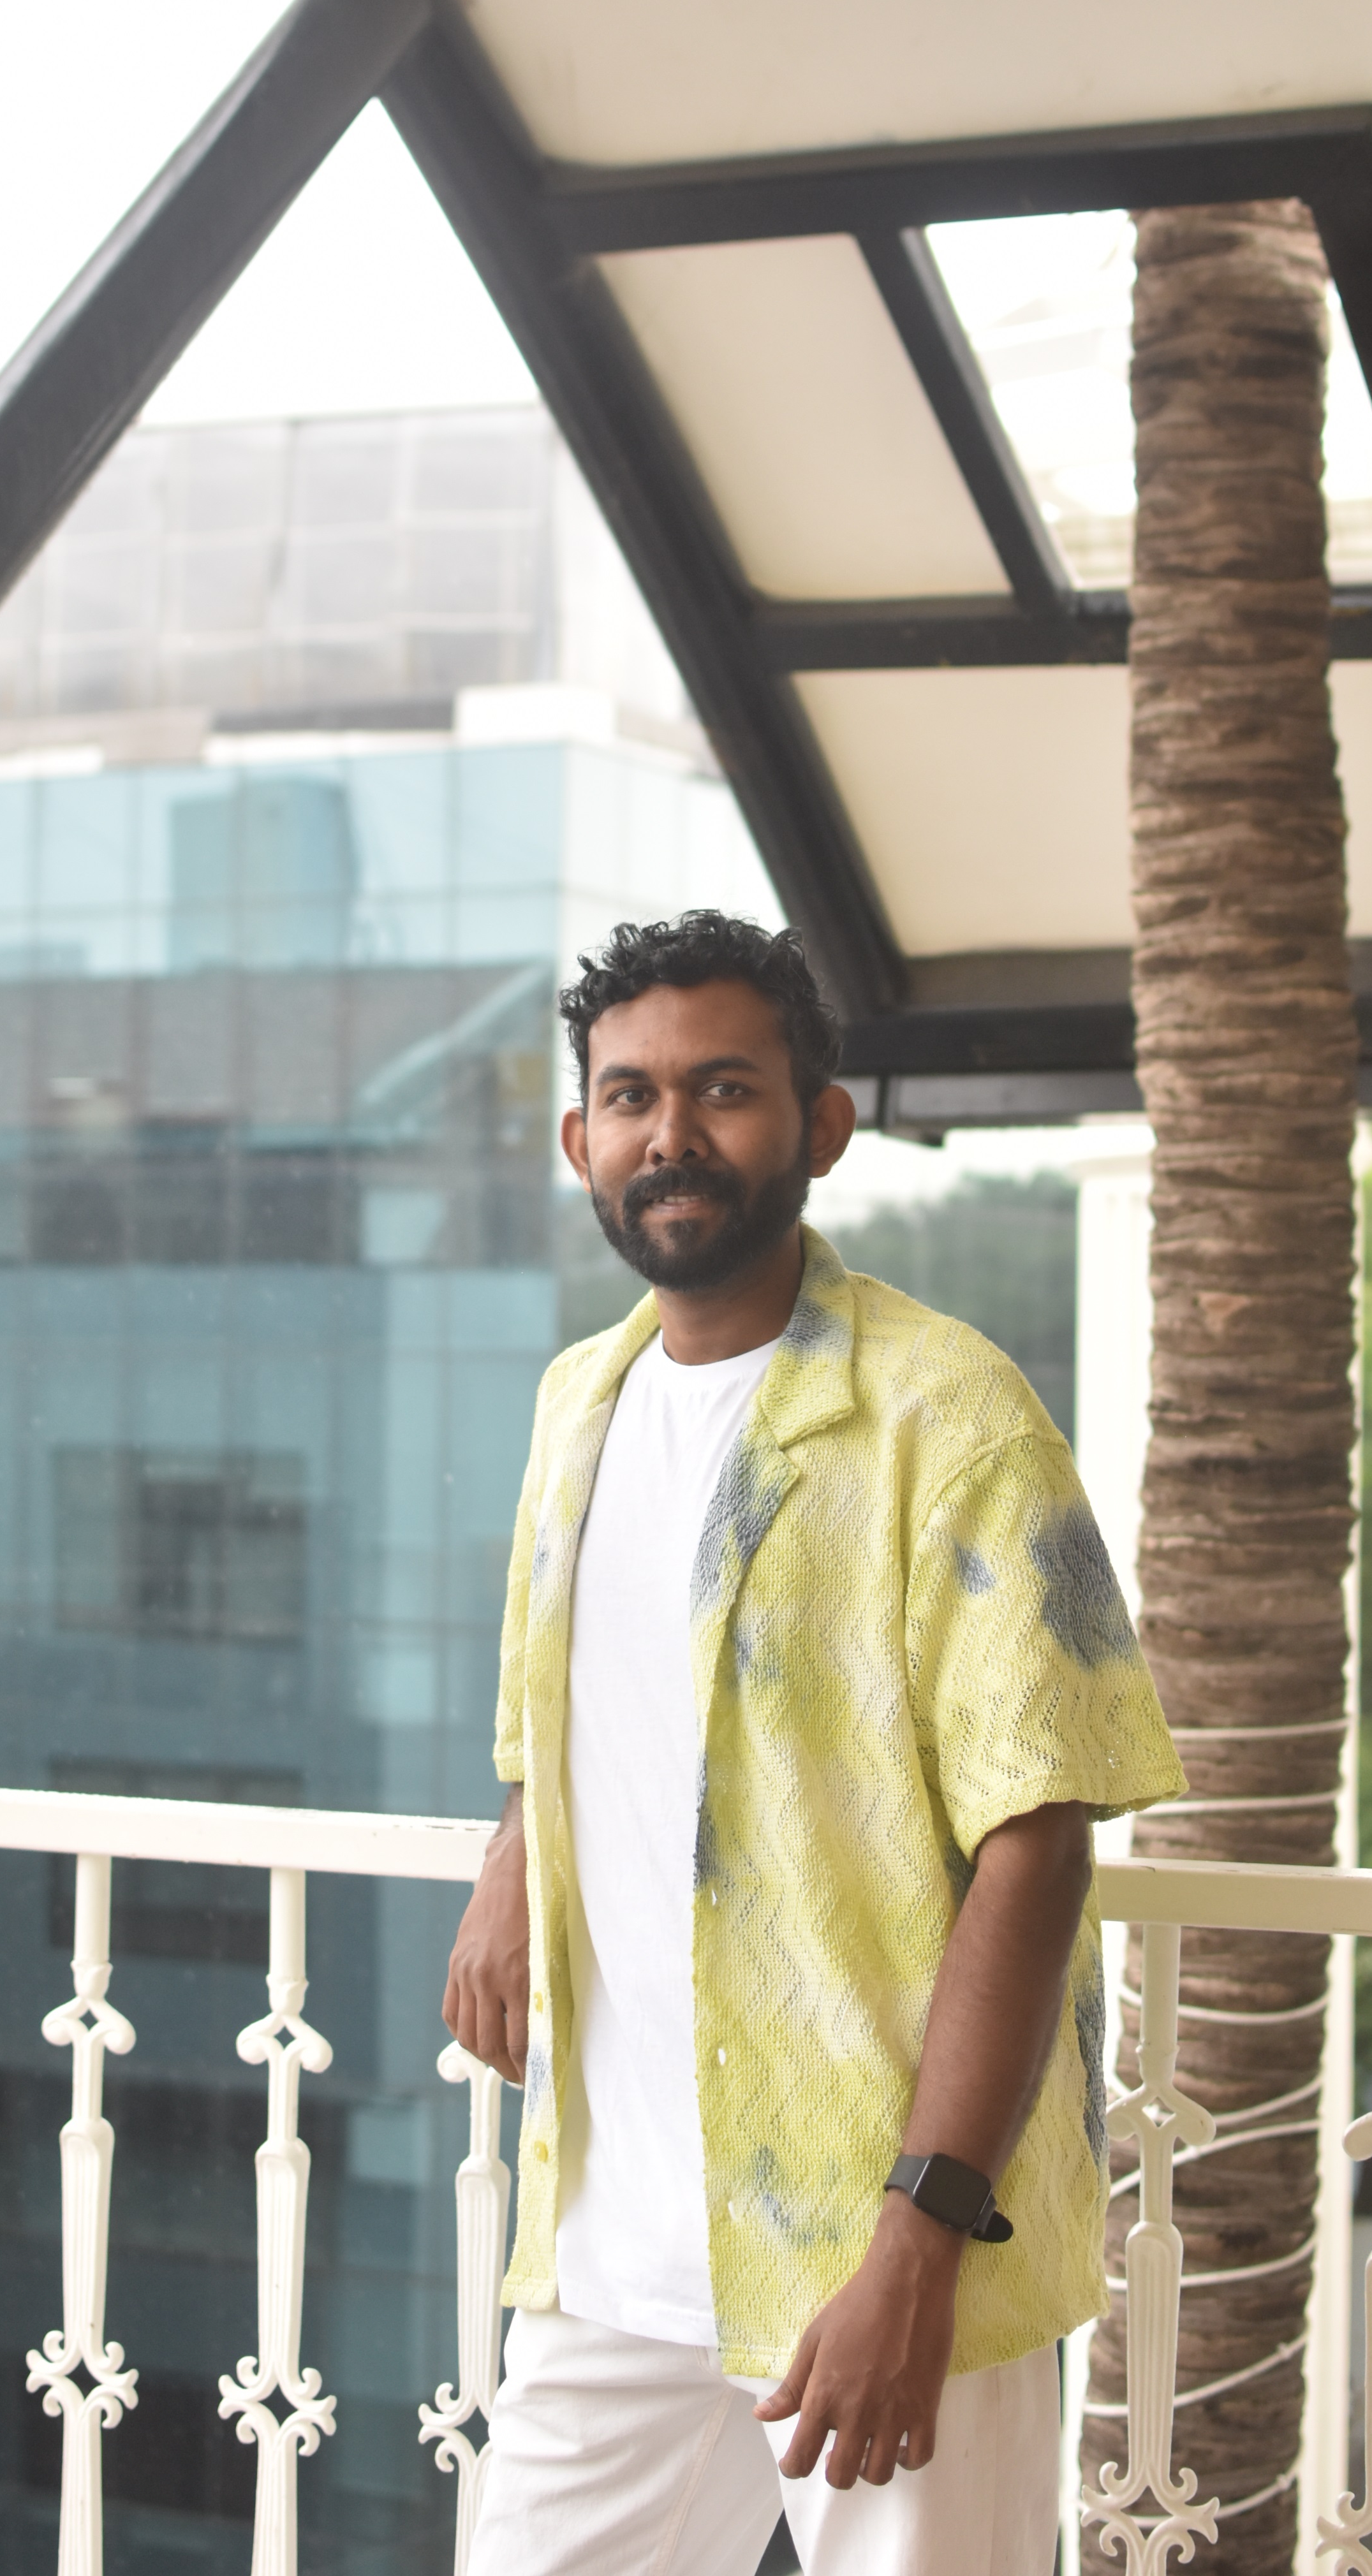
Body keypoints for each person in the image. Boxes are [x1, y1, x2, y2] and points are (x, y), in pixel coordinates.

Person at [445, 911, 1183, 2576]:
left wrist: (923, 2239)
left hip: (875, 2245)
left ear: (823, 1126)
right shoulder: (577, 1404)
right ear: (579, 1141)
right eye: (630, 1097)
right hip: (615, 2243)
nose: (671, 1134)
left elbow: (1037, 1845)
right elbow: (562, 1702)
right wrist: (513, 1848)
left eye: (724, 1089)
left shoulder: (952, 1417)